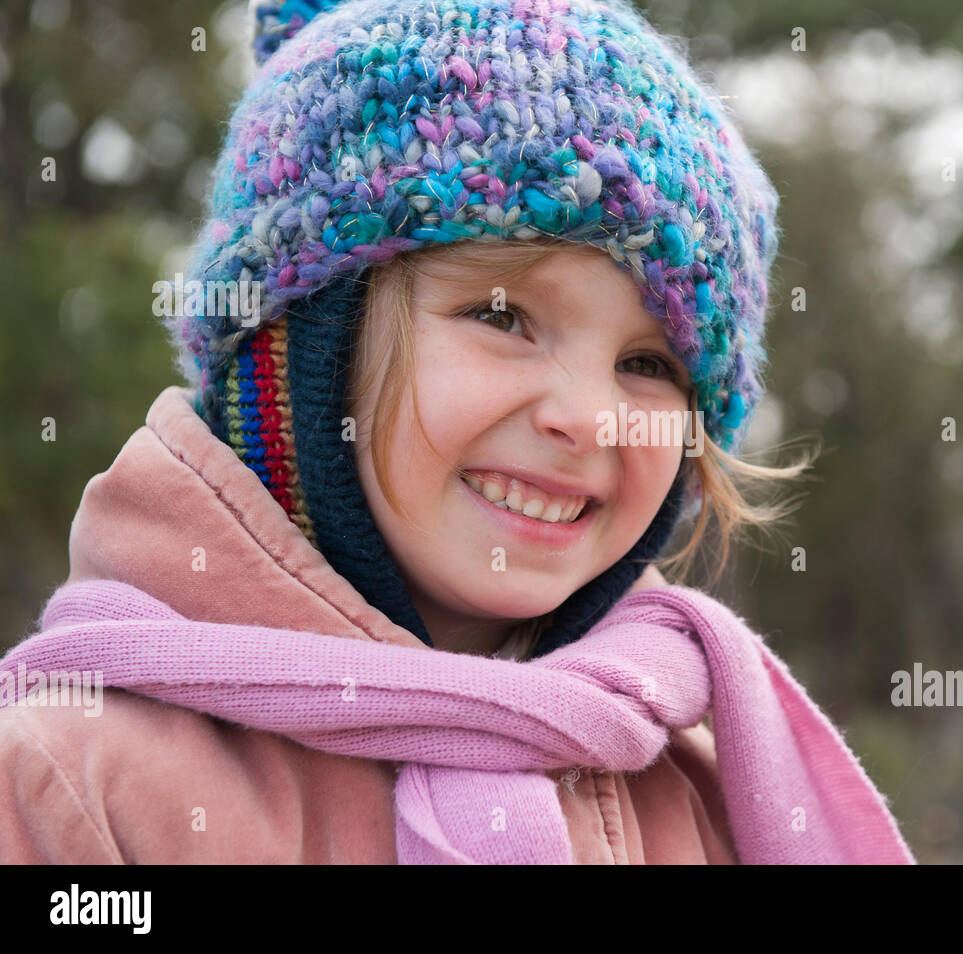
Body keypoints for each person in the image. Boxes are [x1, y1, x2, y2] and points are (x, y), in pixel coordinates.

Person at [0, 0, 915, 864]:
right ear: (301, 356)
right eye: (505, 317)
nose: (586, 416)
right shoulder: (77, 780)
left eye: (648, 365)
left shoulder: (702, 790)